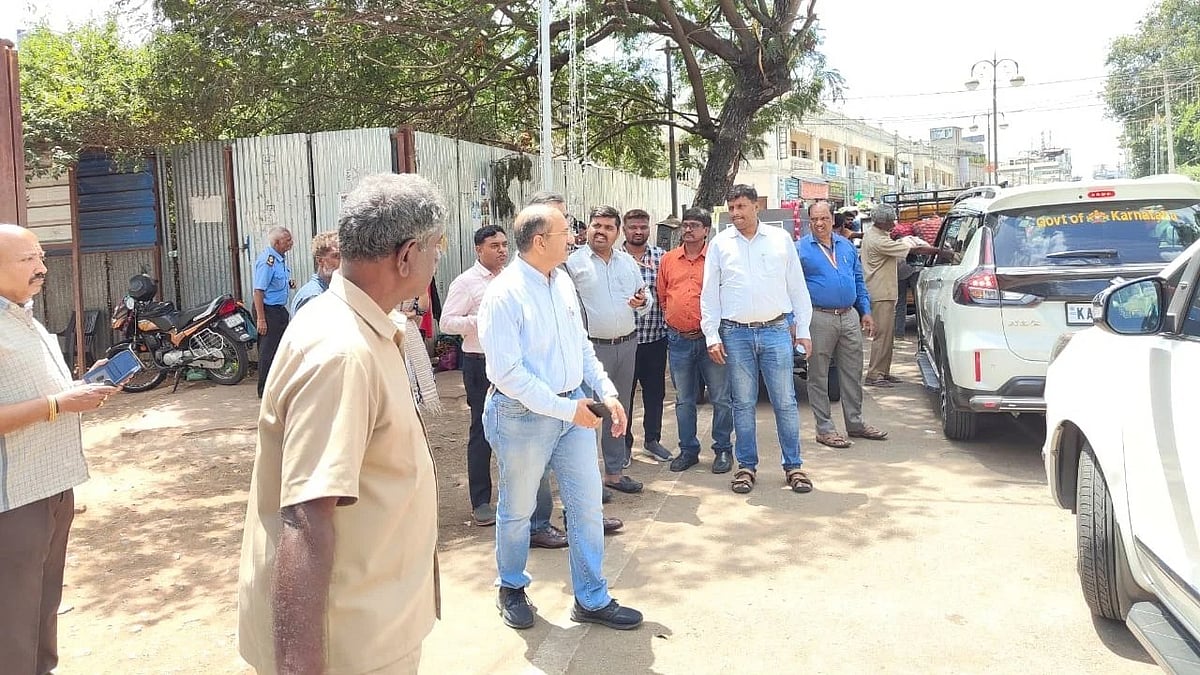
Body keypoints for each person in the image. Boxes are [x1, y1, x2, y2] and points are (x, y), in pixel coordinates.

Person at [238, 174, 444, 674]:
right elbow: (307, 517)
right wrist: (298, 665)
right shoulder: (343, 352)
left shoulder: (362, 325)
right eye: (437, 248)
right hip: (350, 643)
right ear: (407, 255)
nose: (438, 261)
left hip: (376, 618)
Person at [479, 204, 643, 632]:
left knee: (587, 506)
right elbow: (507, 374)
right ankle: (511, 586)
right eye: (565, 233)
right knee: (517, 509)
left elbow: (582, 347)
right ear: (538, 242)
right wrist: (568, 408)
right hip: (522, 416)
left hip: (573, 411)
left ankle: (591, 597)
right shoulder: (504, 294)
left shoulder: (562, 283)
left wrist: (606, 392)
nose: (573, 237)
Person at [0, 224, 117, 674]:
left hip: (52, 487)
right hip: (13, 500)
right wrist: (57, 403)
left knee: (44, 606)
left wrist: (79, 388)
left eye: (40, 257)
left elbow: (42, 391)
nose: (41, 267)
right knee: (12, 617)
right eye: (27, 259)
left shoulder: (26, 319)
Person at [700, 184, 814, 496]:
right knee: (743, 402)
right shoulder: (720, 244)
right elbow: (709, 293)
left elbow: (797, 287)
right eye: (731, 208)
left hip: (776, 330)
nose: (735, 213)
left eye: (741, 207)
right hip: (735, 334)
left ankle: (793, 465)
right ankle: (746, 466)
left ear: (755, 207)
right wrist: (711, 334)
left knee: (786, 402)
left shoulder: (780, 240)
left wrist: (803, 330)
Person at [567, 205, 652, 495]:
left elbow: (645, 296)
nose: (601, 231)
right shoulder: (572, 265)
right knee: (591, 413)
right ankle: (590, 478)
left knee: (619, 409)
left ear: (618, 233)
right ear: (587, 229)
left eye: (608, 227)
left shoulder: (627, 263)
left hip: (627, 345)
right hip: (592, 350)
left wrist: (643, 302)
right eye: (596, 226)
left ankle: (614, 473)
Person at [796, 202, 889, 448]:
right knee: (818, 375)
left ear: (832, 219)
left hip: (849, 316)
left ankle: (856, 423)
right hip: (818, 316)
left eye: (824, 218)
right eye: (814, 219)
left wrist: (865, 311)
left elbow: (859, 280)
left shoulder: (846, 246)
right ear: (809, 221)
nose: (819, 223)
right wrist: (794, 322)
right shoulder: (800, 250)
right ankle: (824, 428)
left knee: (852, 371)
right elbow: (790, 288)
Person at [440, 225, 515, 527]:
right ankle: (481, 501)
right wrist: (479, 320)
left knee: (515, 428)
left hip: (510, 364)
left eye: (505, 244)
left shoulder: (511, 278)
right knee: (482, 430)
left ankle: (516, 497)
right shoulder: (466, 282)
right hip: (479, 364)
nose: (502, 250)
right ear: (478, 249)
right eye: (494, 245)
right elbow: (446, 322)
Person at [657, 208, 734, 474]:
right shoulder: (668, 260)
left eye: (694, 226)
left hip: (711, 341)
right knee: (684, 400)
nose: (687, 230)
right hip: (679, 340)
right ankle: (688, 450)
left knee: (722, 398)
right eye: (685, 225)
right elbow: (663, 295)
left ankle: (723, 449)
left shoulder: (717, 258)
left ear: (706, 231)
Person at [861, 205, 946, 387]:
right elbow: (914, 251)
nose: (894, 223)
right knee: (882, 336)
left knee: (887, 335)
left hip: (886, 291)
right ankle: (874, 374)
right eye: (892, 220)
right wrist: (940, 252)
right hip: (880, 293)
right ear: (883, 221)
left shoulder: (879, 235)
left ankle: (883, 371)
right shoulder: (879, 240)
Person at [620, 208, 671, 462]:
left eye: (643, 227)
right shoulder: (614, 258)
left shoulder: (662, 258)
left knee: (655, 393)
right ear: (624, 230)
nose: (638, 232)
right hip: (623, 341)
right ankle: (624, 444)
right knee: (623, 395)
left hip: (655, 338)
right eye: (633, 227)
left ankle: (652, 440)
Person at [252, 226, 295, 398]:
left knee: (281, 348)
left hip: (278, 310)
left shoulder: (279, 259)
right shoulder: (267, 261)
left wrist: (288, 284)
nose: (291, 243)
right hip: (267, 310)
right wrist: (261, 319)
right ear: (277, 243)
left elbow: (275, 283)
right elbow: (258, 291)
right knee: (267, 351)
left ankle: (278, 386)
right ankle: (264, 391)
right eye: (287, 241)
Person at [390, 289, 443, 414]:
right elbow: (423, 306)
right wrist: (414, 312)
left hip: (383, 326)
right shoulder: (413, 275)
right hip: (407, 326)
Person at [290, 230, 340, 315]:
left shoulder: (330, 290)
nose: (342, 261)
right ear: (320, 260)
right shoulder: (314, 296)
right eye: (336, 256)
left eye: (345, 256)